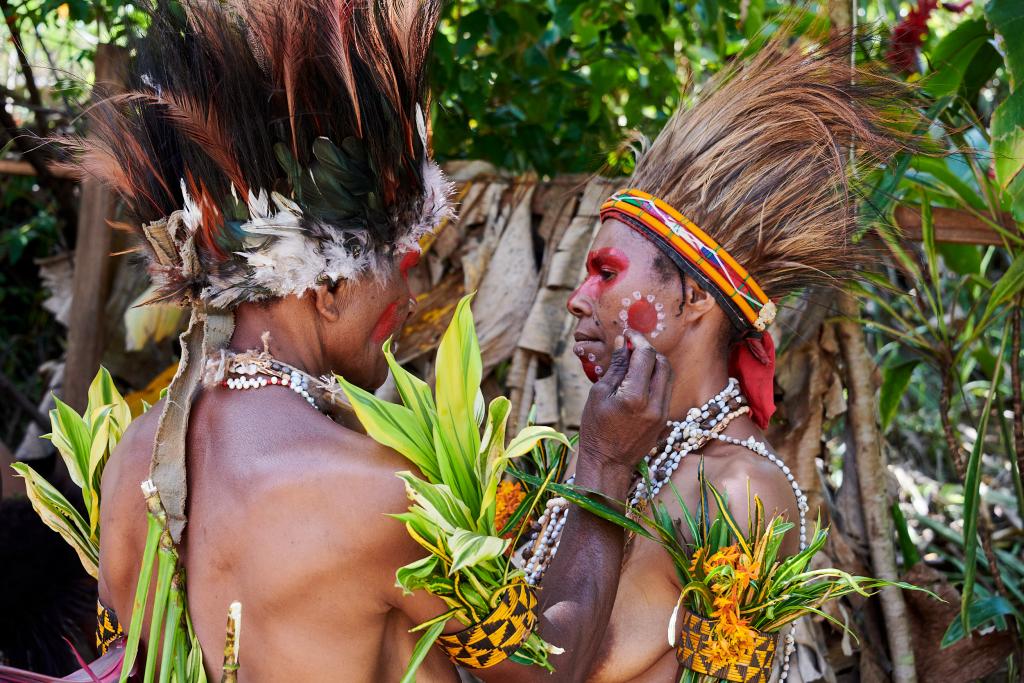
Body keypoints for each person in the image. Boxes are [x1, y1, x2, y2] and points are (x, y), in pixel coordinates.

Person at [81, 2, 669, 681]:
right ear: (326, 290)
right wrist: (604, 463)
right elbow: (543, 669)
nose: (406, 298)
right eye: (396, 262)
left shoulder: (128, 468)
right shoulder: (375, 490)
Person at [525, 38, 911, 681]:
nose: (579, 301)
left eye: (606, 273)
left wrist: (603, 462)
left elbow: (546, 670)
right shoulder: (642, 453)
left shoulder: (737, 493)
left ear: (696, 296)